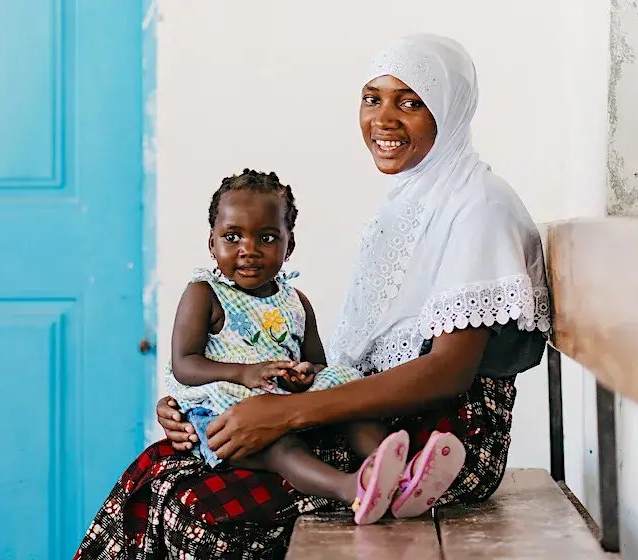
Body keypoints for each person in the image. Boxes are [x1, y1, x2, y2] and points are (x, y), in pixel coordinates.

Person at [75, 33, 550, 559]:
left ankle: (369, 484)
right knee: (160, 466)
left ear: (452, 108)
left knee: (193, 502)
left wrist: (284, 414)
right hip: (388, 417)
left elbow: (448, 374)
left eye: (411, 101)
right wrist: (199, 407)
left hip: (448, 435)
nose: (384, 119)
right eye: (373, 98)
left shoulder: (478, 206)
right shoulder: (411, 201)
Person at [163, 168, 459, 525]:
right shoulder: (205, 295)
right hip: (222, 418)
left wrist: (303, 376)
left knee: (351, 402)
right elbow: (185, 363)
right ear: (212, 244)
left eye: (267, 238)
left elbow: (317, 366)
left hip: (282, 405)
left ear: (290, 246)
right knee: (283, 449)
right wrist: (245, 373)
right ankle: (353, 488)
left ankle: (402, 475)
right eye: (232, 236)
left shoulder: (296, 302)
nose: (249, 250)